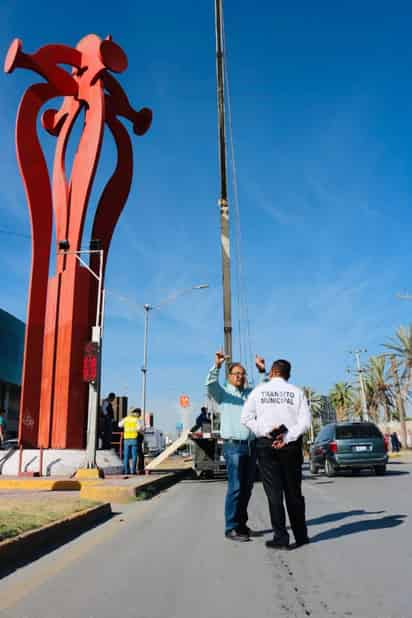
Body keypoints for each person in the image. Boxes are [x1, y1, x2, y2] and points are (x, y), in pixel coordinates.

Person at [241, 358, 311, 550]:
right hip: (291, 447)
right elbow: (305, 422)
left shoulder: (258, 391)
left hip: (266, 444)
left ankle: (281, 537)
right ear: (288, 374)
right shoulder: (297, 393)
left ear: (271, 372)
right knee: (294, 493)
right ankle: (301, 535)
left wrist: (265, 431)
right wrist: (287, 436)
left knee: (274, 494)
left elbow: (245, 417)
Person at [206, 351, 265, 542]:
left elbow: (265, 392)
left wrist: (262, 371)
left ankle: (241, 525)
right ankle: (230, 527)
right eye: (236, 374)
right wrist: (217, 366)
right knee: (236, 487)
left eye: (242, 374)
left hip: (250, 446)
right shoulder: (223, 394)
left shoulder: (250, 394)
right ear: (229, 377)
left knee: (247, 488)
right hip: (233, 447)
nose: (240, 376)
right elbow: (210, 385)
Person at [119, 408, 143, 475]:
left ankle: (127, 471)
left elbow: (119, 425)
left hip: (126, 439)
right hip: (134, 439)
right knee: (134, 456)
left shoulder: (126, 419)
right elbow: (139, 428)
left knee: (126, 456)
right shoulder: (136, 420)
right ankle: (133, 471)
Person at [135, 409, 145, 474]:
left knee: (138, 453)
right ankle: (140, 468)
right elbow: (141, 429)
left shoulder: (139, 420)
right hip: (137, 436)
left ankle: (139, 468)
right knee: (139, 453)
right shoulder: (138, 420)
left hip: (136, 436)